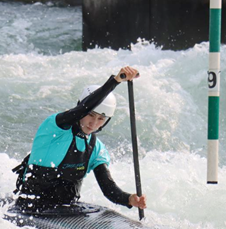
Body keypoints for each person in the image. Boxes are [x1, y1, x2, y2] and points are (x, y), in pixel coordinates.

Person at [12, 66, 147, 213]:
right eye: (90, 115)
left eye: (101, 118)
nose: (93, 123)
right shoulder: (55, 127)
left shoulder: (96, 148)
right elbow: (83, 108)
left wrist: (129, 199)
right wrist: (115, 81)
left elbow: (108, 189)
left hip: (66, 210)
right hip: (31, 208)